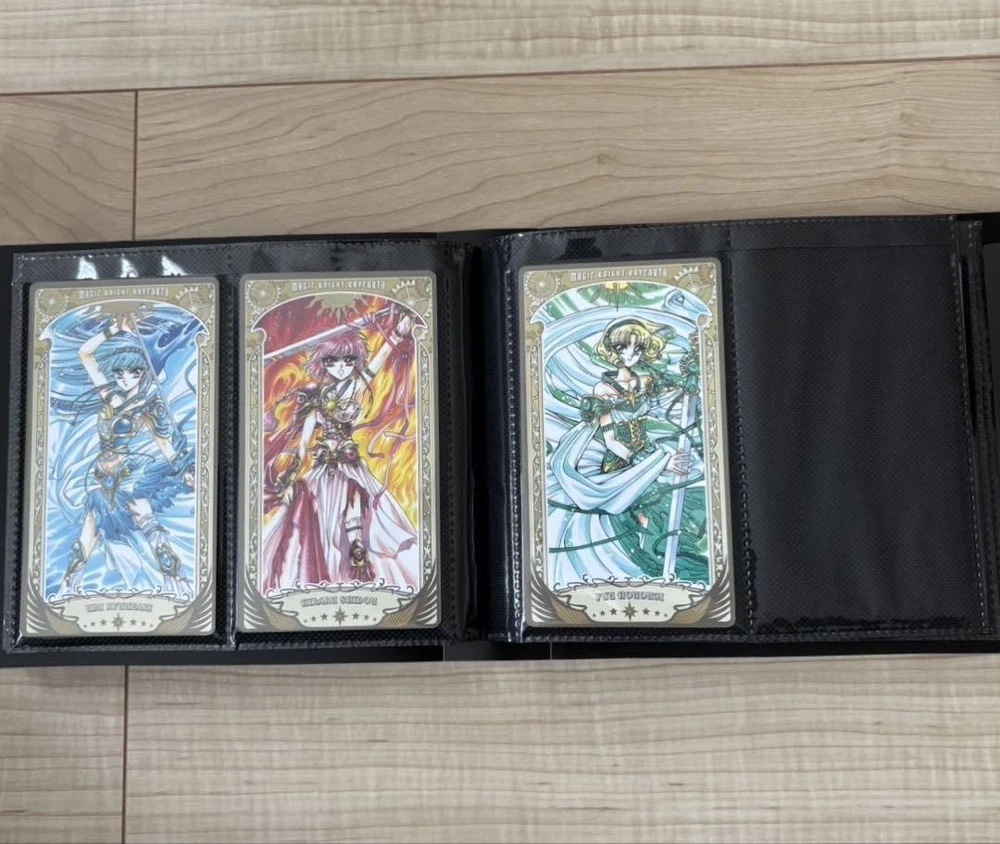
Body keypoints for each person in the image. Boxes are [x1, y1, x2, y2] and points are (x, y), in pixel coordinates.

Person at [260, 312, 419, 594]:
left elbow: (378, 363)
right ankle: (328, 569)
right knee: (317, 519)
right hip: (323, 466)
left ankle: (357, 552)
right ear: (323, 364)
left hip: (349, 462)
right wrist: (290, 475)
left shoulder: (355, 386)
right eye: (332, 361)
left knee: (355, 499)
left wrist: (396, 334)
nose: (341, 367)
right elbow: (303, 445)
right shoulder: (316, 401)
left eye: (348, 360)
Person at [547, 317, 693, 584]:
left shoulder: (645, 381)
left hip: (646, 450)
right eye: (623, 348)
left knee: (664, 506)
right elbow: (611, 439)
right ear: (612, 350)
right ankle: (647, 564)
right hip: (620, 460)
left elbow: (666, 404)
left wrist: (689, 384)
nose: (631, 354)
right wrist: (648, 462)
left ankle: (661, 563)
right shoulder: (604, 389)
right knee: (641, 512)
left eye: (637, 348)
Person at [60, 313, 194, 596]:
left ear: (142, 374)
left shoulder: (148, 406)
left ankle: (179, 588)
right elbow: (85, 354)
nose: (123, 380)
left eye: (132, 373)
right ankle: (66, 592)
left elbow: (164, 444)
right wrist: (113, 329)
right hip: (102, 476)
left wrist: (184, 470)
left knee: (147, 523)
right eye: (119, 374)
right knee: (87, 534)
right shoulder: (111, 398)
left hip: (130, 475)